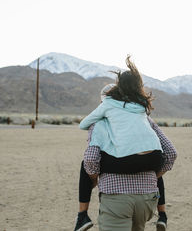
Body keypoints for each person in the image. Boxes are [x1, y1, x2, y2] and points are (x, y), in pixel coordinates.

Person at [74, 56, 177, 230]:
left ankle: (82, 216)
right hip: (147, 198)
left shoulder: (100, 120)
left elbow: (91, 158)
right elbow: (172, 153)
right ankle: (163, 214)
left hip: (116, 198)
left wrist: (95, 178)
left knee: (86, 163)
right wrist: (153, 176)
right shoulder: (143, 115)